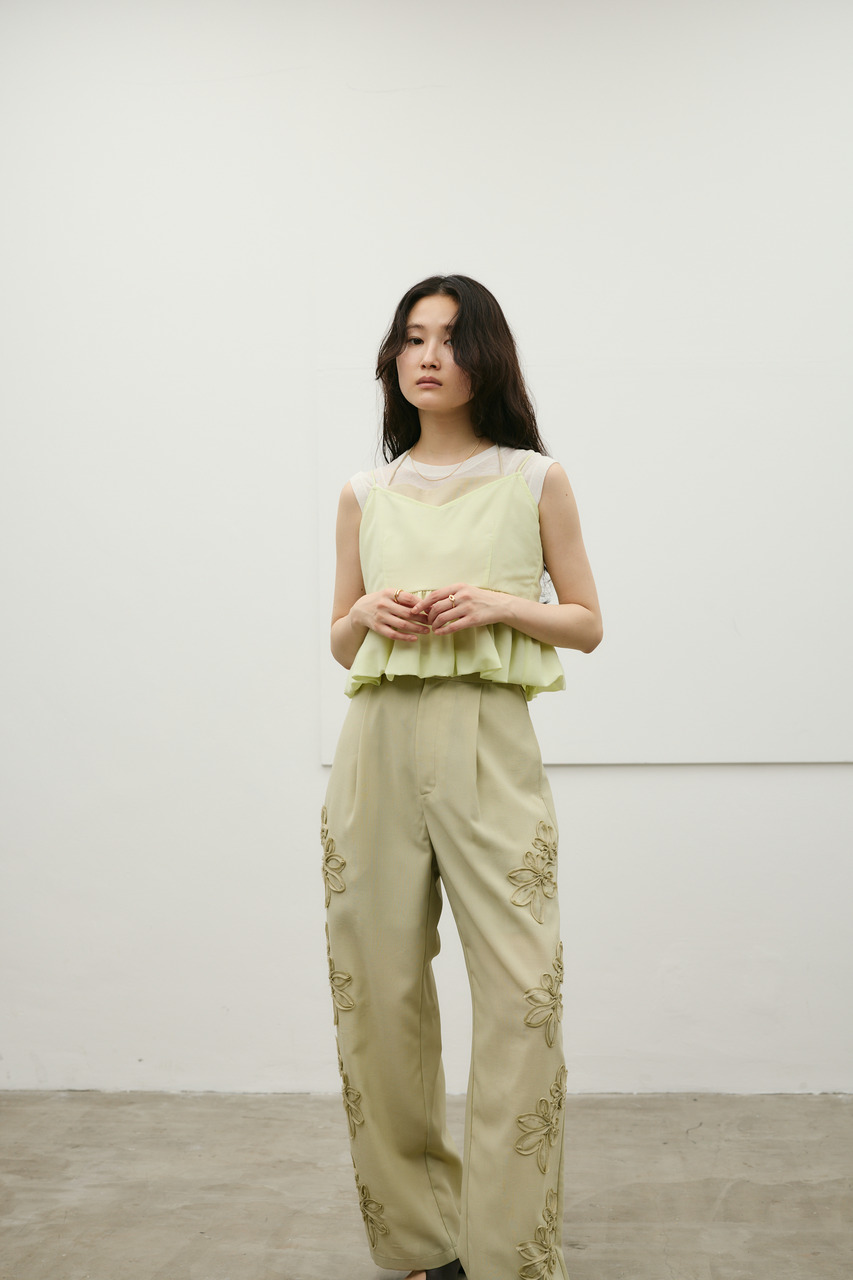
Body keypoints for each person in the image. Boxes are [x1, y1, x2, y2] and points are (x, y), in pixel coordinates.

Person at [321, 274, 602, 1280]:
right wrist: (366, 616)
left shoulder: (534, 478)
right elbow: (340, 640)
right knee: (377, 995)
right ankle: (418, 1241)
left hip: (489, 742)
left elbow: (586, 622)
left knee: (523, 996)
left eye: (448, 337)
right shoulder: (365, 493)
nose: (428, 356)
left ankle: (507, 1254)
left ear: (485, 355)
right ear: (393, 360)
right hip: (376, 751)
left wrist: (497, 603)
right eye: (412, 338)